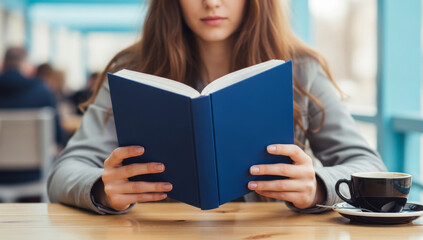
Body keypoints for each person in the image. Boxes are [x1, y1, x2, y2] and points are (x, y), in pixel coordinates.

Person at [47, 0, 386, 214]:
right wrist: (103, 190)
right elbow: (65, 171)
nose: (211, 3)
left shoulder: (302, 69)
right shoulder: (131, 69)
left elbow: (370, 167)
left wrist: (317, 186)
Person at [0, 47, 66, 184]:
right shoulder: (43, 91)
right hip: (35, 172)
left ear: (3, 64)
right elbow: (58, 137)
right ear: (26, 65)